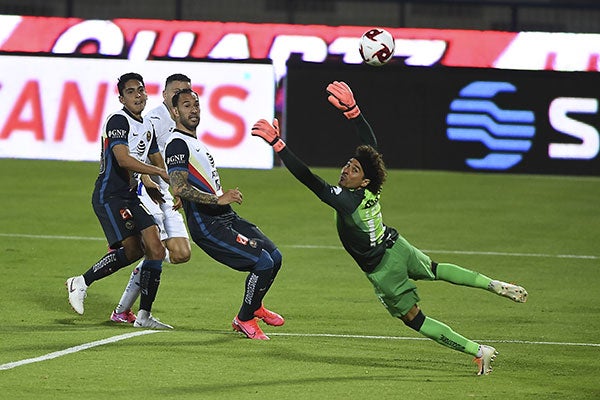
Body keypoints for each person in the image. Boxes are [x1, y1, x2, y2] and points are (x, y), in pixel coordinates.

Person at [251, 80, 528, 374]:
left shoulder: (346, 202)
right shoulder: (372, 191)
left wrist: (278, 145)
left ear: (364, 181)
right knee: (435, 269)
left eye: (354, 170)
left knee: (415, 319)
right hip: (397, 245)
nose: (346, 169)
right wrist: (354, 112)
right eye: (348, 164)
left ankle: (478, 350)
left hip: (384, 270)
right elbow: (371, 149)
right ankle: (493, 284)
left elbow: (310, 180)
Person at [162, 88, 284, 340]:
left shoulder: (195, 143)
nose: (193, 110)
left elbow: (190, 185)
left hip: (225, 216)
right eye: (186, 106)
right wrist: (217, 199)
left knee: (275, 256)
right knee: (262, 263)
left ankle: (254, 306)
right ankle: (245, 318)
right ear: (175, 112)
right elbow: (179, 186)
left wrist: (213, 200)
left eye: (195, 105)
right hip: (208, 226)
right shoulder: (176, 144)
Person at [65, 72, 172, 329]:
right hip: (110, 196)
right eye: (131, 91)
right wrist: (156, 174)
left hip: (130, 196)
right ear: (121, 97)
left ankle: (144, 315)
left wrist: (173, 189)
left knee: (154, 249)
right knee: (133, 249)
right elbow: (124, 160)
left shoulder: (147, 126)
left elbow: (157, 159)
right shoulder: (118, 120)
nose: (138, 95)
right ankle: (80, 282)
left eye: (141, 90)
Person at [110, 74, 193, 324]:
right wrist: (148, 182)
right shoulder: (153, 119)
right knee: (154, 249)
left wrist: (180, 188)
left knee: (180, 253)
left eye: (186, 92)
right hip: (148, 192)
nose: (181, 95)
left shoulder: (186, 118)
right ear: (165, 94)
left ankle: (142, 273)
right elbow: (138, 155)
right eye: (176, 91)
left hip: (167, 190)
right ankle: (126, 311)